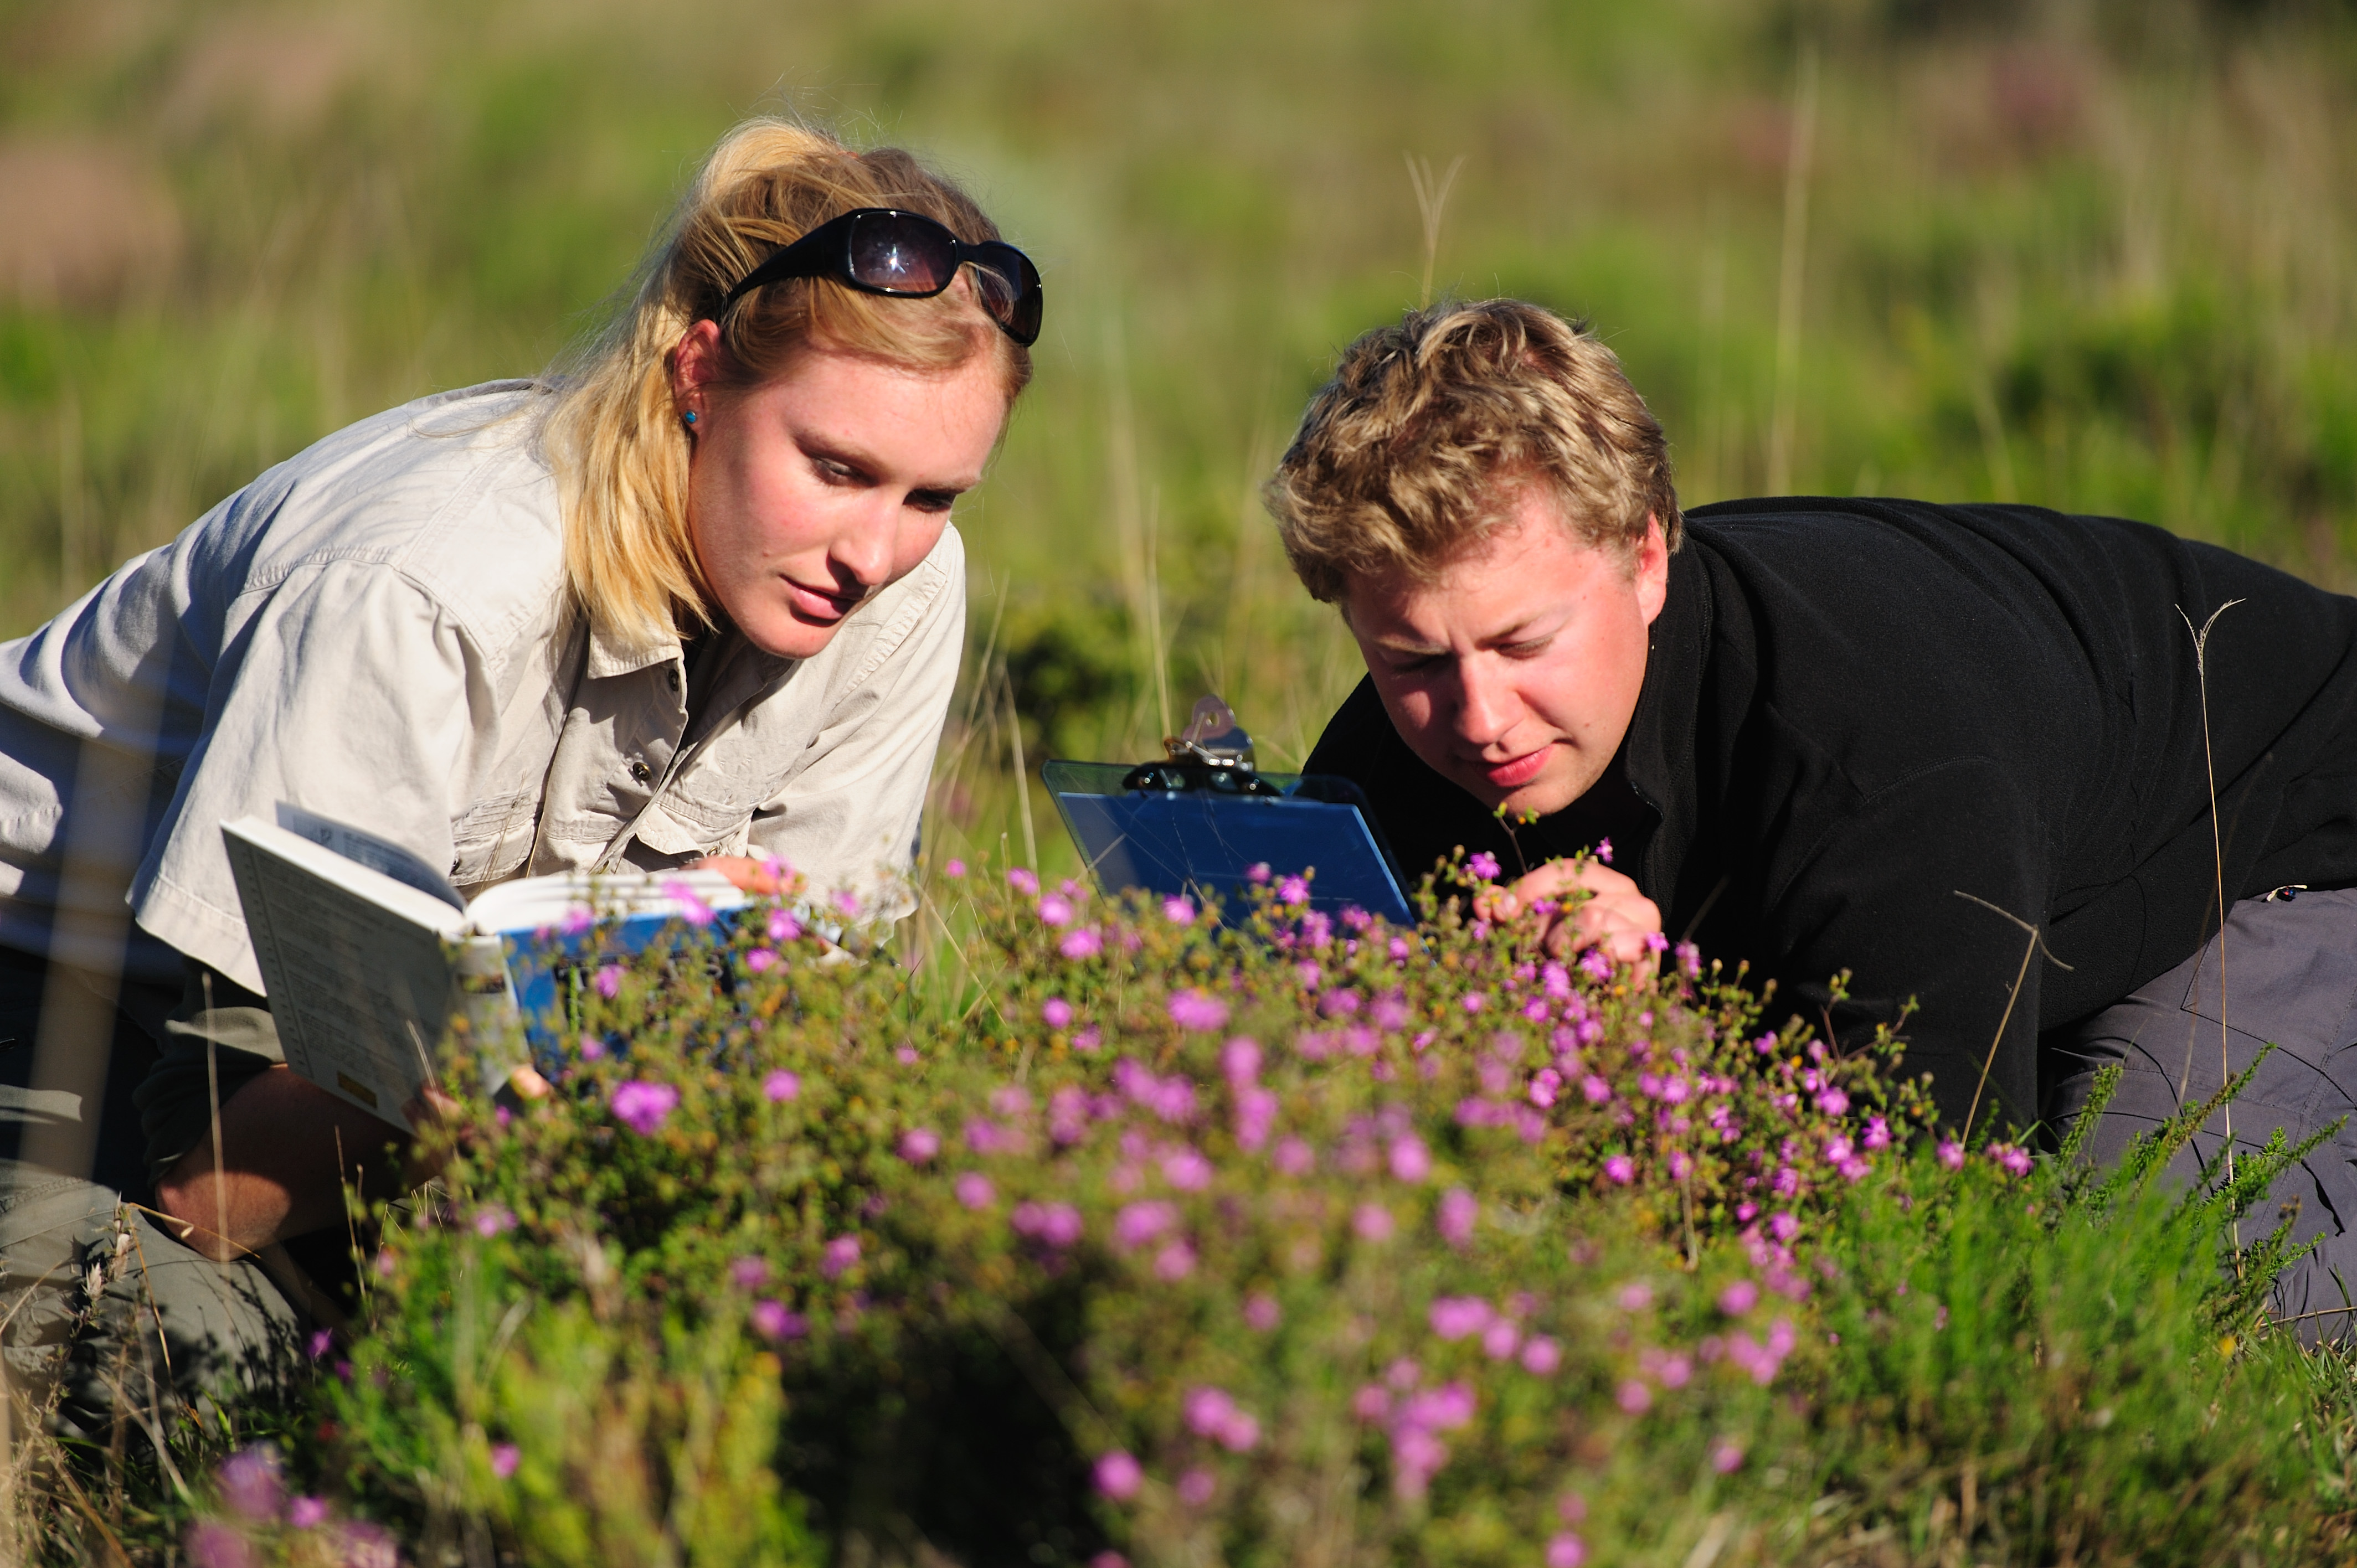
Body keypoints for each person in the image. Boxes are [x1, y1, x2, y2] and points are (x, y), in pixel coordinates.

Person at [0, 118, 1041, 1428]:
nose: (875, 551)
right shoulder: (417, 586)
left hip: (380, 1105)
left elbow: (809, 1044)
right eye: (834, 469)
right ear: (698, 372)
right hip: (66, 1005)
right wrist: (496, 1076)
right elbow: (207, 1191)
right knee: (205, 1373)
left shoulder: (897, 584)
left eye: (932, 496)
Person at [1269, 297, 2357, 1338]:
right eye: (1410, 660)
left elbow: (1922, 1222)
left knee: (2131, 1291)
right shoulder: (1398, 737)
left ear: (1645, 556)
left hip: (2288, 865)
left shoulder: (1875, 751)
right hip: (2034, 913)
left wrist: (1653, 1040)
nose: (1477, 717)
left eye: (1521, 645)